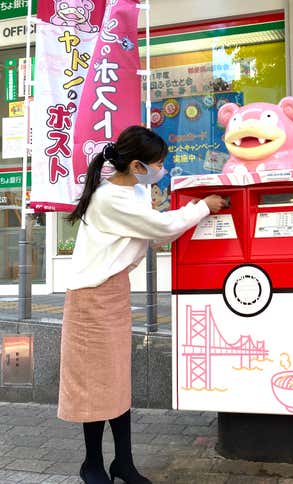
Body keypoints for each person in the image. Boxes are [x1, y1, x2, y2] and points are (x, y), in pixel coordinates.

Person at [58, 126, 225, 484]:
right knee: (95, 385)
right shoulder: (110, 200)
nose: (161, 169)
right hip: (91, 297)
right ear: (137, 165)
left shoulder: (134, 189)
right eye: (158, 163)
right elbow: (161, 228)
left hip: (113, 292)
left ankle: (124, 463)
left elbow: (153, 228)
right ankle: (92, 464)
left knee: (116, 383)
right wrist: (202, 207)